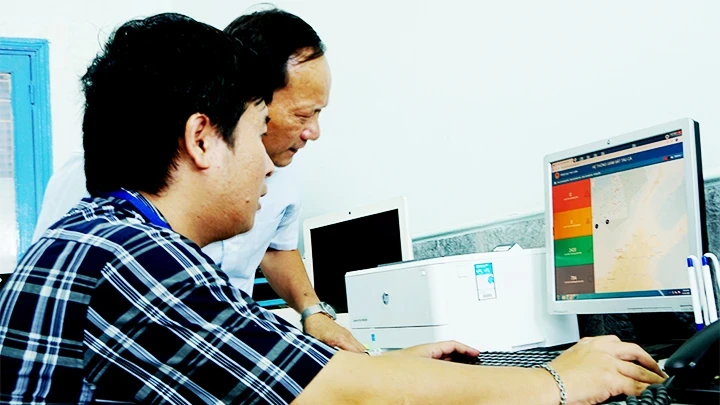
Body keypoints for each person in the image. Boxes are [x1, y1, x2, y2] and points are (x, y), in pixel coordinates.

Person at [0, 12, 667, 405]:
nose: (267, 159)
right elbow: (335, 393)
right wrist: (556, 378)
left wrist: (390, 368)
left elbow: (284, 357)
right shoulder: (133, 259)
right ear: (204, 138)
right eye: (257, 129)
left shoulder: (107, 234)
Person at [31, 8, 363, 352]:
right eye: (302, 114)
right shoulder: (142, 243)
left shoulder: (283, 175)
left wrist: (313, 312)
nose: (313, 132)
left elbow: (278, 251)